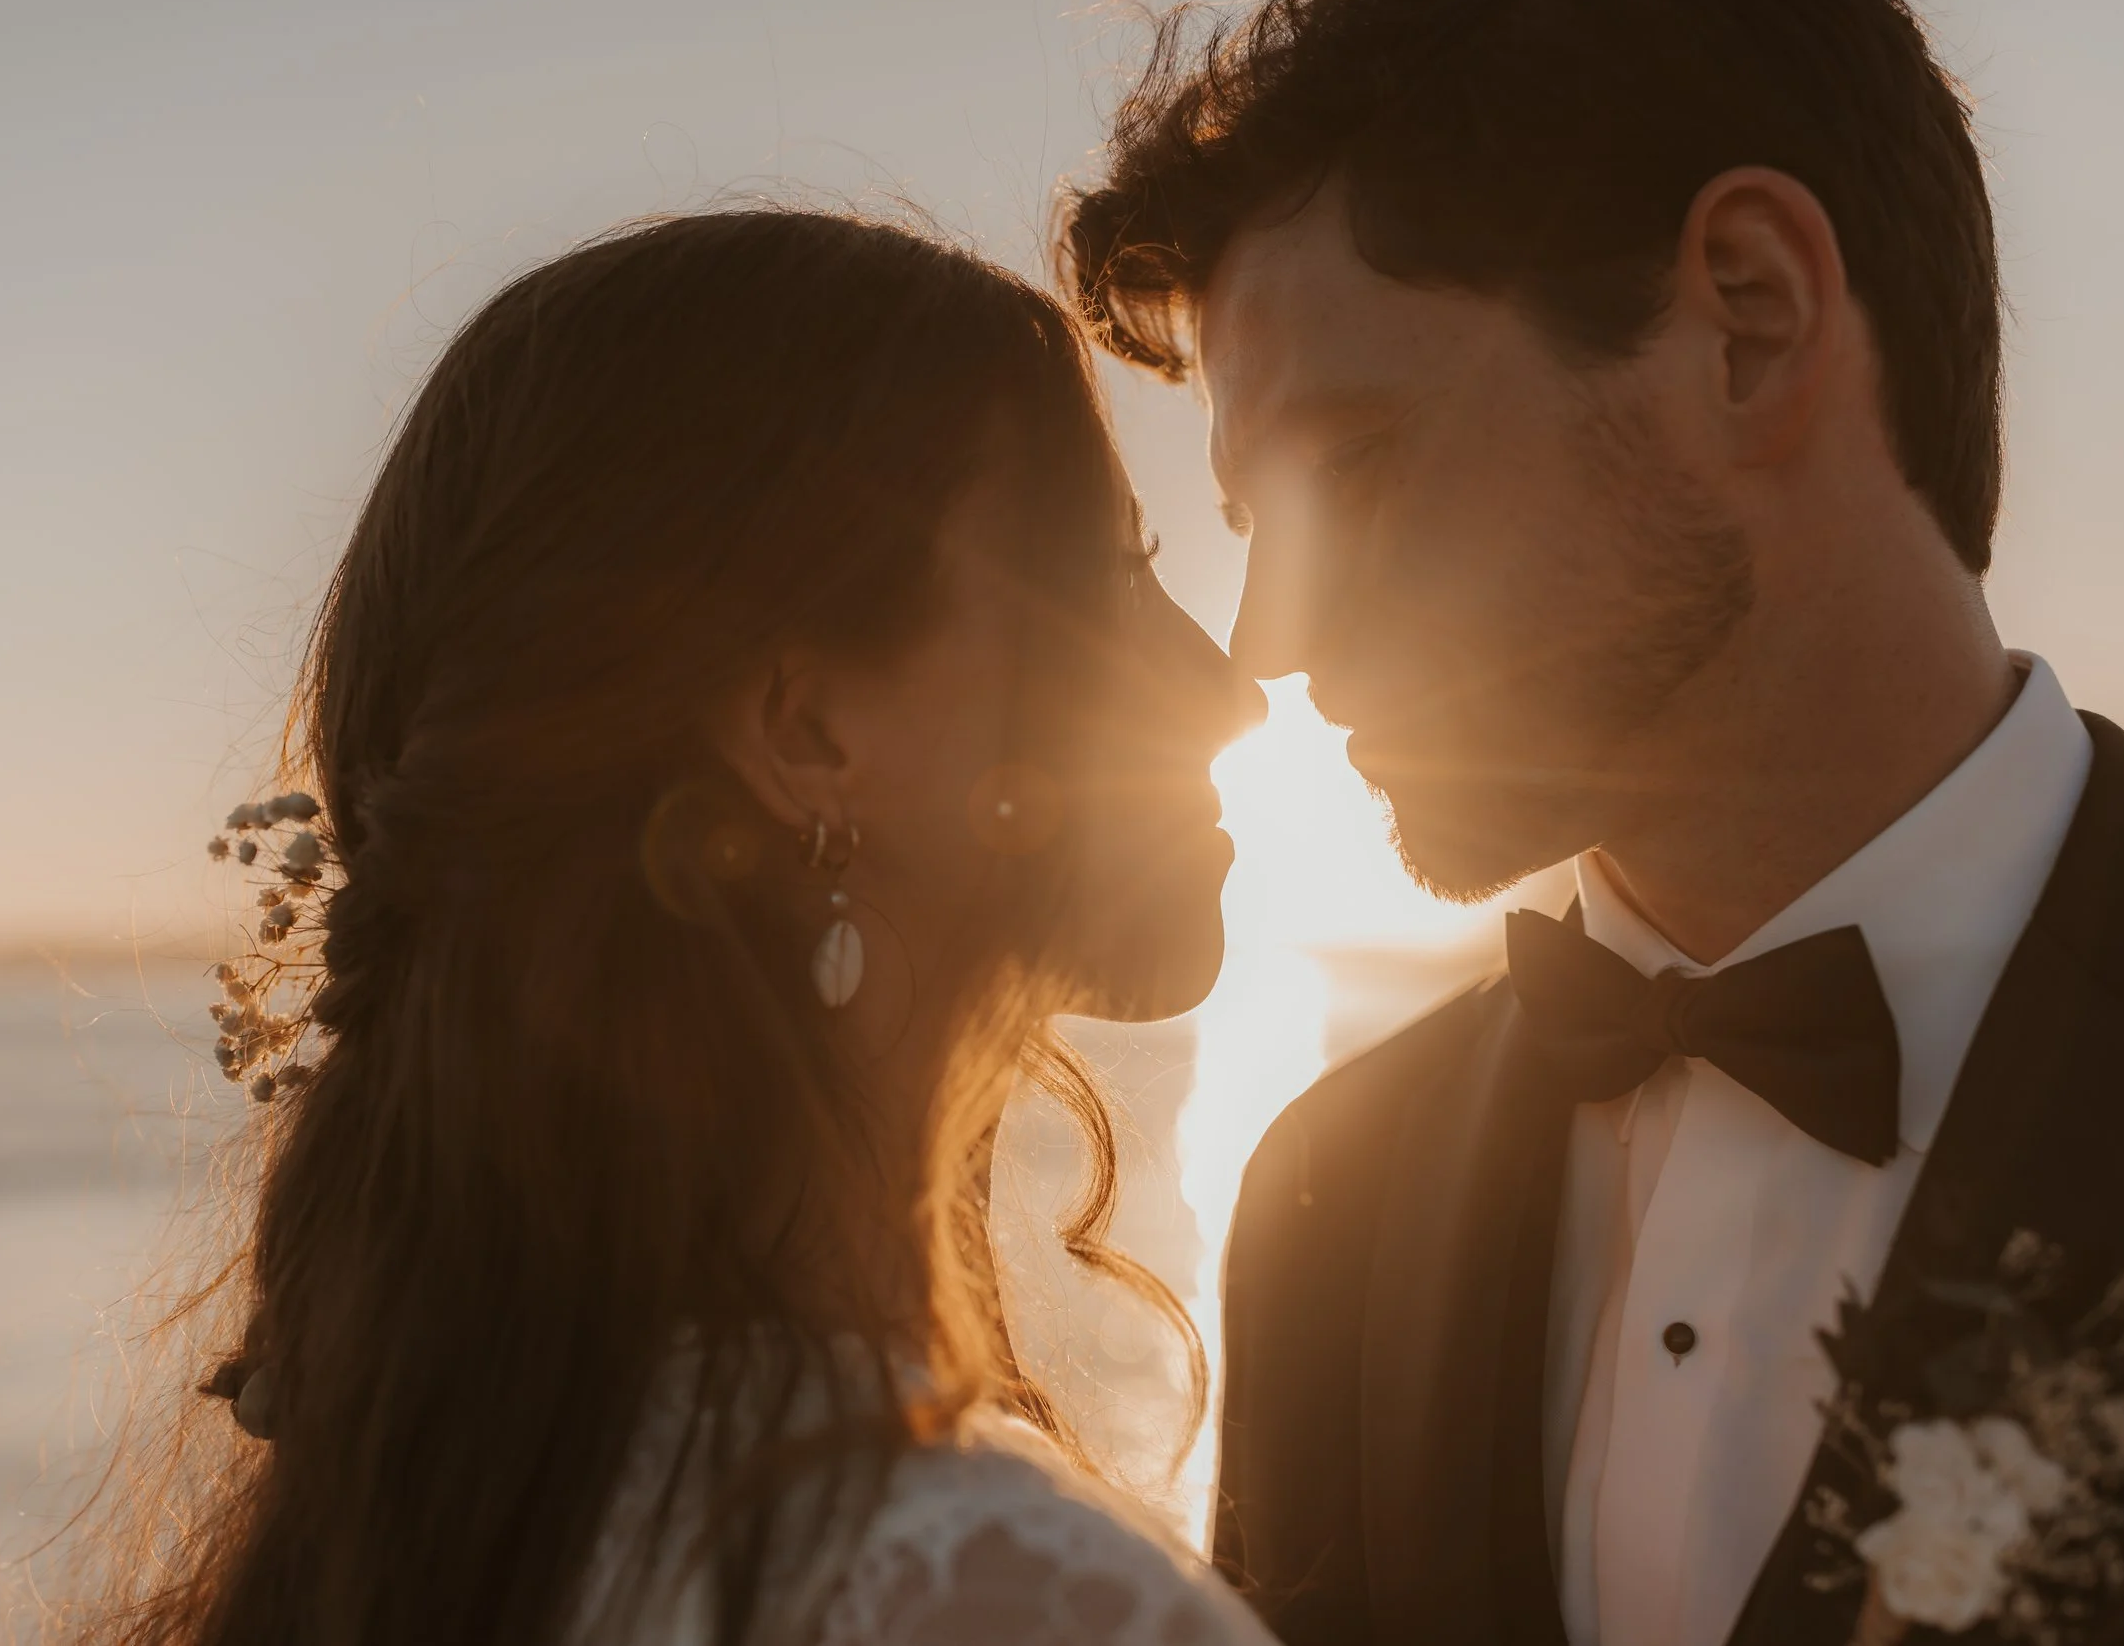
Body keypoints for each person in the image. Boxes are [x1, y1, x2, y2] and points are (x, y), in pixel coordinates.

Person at [1060, 0, 2124, 1643]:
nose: (1276, 644)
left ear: (1749, 321)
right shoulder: (1333, 1198)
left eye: (1357, 468)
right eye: (1251, 518)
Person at [61, 210, 1276, 1646]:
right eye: (1110, 580)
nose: (1226, 690)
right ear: (809, 730)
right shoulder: (994, 1595)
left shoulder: (447, 1533)